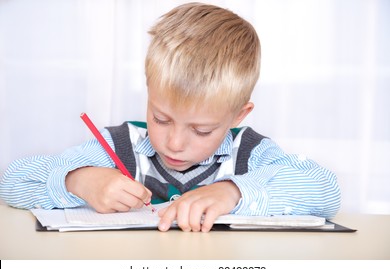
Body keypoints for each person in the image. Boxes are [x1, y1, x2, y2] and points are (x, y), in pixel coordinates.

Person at [0, 2, 340, 232]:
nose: (174, 142)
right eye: (161, 119)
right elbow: (12, 181)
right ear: (149, 92)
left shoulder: (251, 154)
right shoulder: (116, 147)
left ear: (239, 115)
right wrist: (79, 181)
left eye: (202, 129)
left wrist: (233, 193)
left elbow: (326, 191)